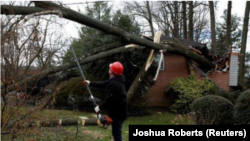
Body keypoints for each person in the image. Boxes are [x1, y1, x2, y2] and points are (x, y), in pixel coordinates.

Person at [82, 61, 128, 141]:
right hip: (118, 111)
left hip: (119, 113)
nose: (108, 70)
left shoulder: (115, 84)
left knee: (116, 133)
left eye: (110, 68)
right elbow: (103, 84)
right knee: (116, 131)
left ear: (111, 72)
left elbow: (109, 100)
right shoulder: (116, 80)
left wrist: (99, 107)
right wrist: (90, 83)